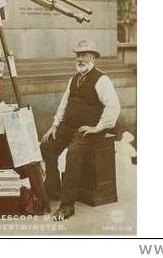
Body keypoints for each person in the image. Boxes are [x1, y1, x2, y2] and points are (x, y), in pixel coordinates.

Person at [40, 39, 121, 220]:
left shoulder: (102, 79)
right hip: (67, 127)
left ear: (93, 57)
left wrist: (97, 127)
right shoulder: (74, 78)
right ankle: (54, 188)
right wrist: (54, 125)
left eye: (84, 55)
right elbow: (64, 103)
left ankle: (67, 206)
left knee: (73, 154)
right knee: (46, 146)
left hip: (87, 130)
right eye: (78, 55)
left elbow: (113, 107)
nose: (80, 59)